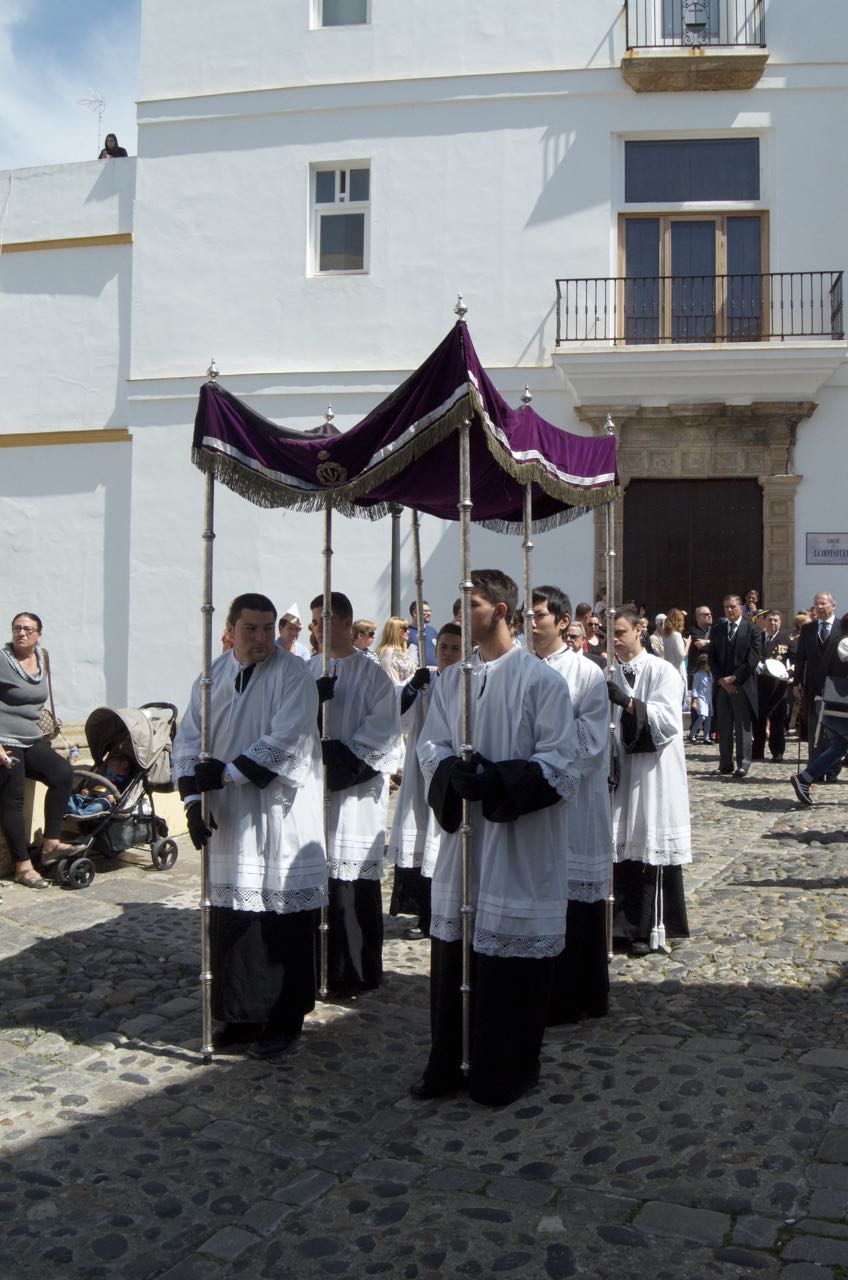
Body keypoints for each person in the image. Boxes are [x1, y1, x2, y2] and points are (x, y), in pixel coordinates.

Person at [412, 569, 579, 1106]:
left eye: (473, 604)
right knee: (456, 954)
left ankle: (503, 1071)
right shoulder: (452, 680)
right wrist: (449, 775)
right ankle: (448, 1063)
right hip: (464, 841)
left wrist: (496, 780)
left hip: (516, 844)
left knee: (508, 969)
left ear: (502, 611)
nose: (462, 614)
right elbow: (430, 743)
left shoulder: (541, 681)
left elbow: (560, 765)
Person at [172, 593, 326, 1059]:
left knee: (281, 919)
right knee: (236, 921)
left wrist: (224, 774)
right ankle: (239, 1015)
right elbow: (189, 739)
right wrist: (193, 801)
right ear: (231, 629)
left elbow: (288, 738)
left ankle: (283, 1019)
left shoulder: (294, 674)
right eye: (250, 629)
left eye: (266, 628)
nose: (261, 638)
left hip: (279, 812)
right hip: (231, 819)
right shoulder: (211, 675)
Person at [309, 592, 399, 993]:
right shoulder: (307, 669)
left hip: (355, 796)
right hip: (311, 798)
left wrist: (332, 757)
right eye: (314, 622)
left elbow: (380, 735)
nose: (317, 629)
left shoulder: (373, 675)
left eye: (324, 620)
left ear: (346, 623)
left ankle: (354, 971)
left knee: (350, 887)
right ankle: (315, 966)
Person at [531, 585, 612, 1025]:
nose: (532, 623)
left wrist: (545, 754)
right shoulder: (521, 669)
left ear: (563, 621)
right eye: (528, 615)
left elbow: (592, 742)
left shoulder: (587, 674)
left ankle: (576, 995)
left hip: (576, 804)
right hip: (535, 806)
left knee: (576, 906)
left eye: (540, 615)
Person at [607, 607, 692, 956]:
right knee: (619, 844)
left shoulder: (662, 671)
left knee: (646, 842)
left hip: (652, 771)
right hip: (620, 772)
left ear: (639, 631)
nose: (615, 639)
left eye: (621, 632)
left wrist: (628, 702)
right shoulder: (607, 672)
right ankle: (618, 927)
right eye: (611, 633)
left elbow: (669, 721)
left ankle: (647, 926)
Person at [388, 623, 462, 938]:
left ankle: (448, 910)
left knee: (444, 841)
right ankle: (422, 913)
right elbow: (395, 714)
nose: (446, 653)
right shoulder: (427, 678)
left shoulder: (467, 681)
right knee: (420, 837)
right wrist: (411, 688)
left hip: (449, 771)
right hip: (421, 771)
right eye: (442, 646)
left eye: (454, 648)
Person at [0, 613, 76, 888]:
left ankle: (51, 843)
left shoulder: (42, 658)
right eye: (17, 628)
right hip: (5, 739)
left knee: (62, 773)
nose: (21, 633)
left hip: (31, 737)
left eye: (27, 629)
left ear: (38, 634)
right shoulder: (2, 659)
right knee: (14, 800)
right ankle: (22, 866)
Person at [790, 616, 848, 804]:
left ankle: (804, 778)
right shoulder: (844, 643)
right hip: (837, 706)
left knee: (839, 747)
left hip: (834, 705)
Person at [708, 594, 760, 779]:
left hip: (742, 685)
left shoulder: (752, 629)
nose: (730, 610)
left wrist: (734, 679)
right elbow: (712, 659)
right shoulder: (717, 630)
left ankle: (743, 763)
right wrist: (722, 680)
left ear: (740, 608)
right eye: (726, 607)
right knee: (724, 725)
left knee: (742, 725)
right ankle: (725, 763)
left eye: (733, 607)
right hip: (722, 686)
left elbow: (752, 659)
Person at [793, 592, 842, 780]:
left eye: (823, 604)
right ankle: (814, 770)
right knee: (815, 731)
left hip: (837, 688)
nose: (819, 607)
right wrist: (797, 682)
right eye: (816, 604)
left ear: (833, 605)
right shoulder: (808, 629)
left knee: (834, 732)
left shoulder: (842, 627)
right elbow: (801, 659)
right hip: (813, 687)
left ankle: (832, 770)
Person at [752, 610, 790, 762]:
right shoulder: (757, 638)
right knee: (758, 719)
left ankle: (777, 751)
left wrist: (789, 673)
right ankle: (757, 751)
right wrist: (756, 665)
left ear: (780, 622)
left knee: (777, 720)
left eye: (776, 620)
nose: (773, 623)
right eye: (770, 620)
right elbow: (751, 656)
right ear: (764, 621)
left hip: (778, 686)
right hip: (760, 685)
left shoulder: (786, 639)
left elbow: (794, 659)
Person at [66, 751, 132, 815]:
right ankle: (69, 807)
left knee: (100, 805)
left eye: (112, 765)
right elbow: (94, 786)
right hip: (90, 796)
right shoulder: (105, 776)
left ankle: (79, 813)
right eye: (108, 766)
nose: (109, 768)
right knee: (74, 797)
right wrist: (85, 793)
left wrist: (113, 797)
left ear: (124, 764)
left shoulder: (124, 781)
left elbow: (122, 794)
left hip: (104, 799)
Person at [377, 616, 418, 685]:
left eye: (408, 628)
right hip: (399, 693)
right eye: (405, 629)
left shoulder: (404, 651)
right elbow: (391, 679)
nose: (408, 632)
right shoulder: (388, 651)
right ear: (395, 631)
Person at [662, 609, 690, 705]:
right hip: (678, 671)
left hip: (669, 671)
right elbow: (681, 656)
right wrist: (688, 644)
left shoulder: (665, 635)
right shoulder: (676, 635)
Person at [689, 654, 713, 744]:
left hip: (708, 699)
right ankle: (692, 734)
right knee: (702, 716)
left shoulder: (710, 674)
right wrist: (694, 701)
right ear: (702, 665)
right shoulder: (698, 675)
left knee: (708, 718)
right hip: (701, 698)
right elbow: (694, 688)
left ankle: (706, 737)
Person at [408, 601, 438, 666]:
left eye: (430, 611)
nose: (429, 613)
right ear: (415, 613)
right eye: (426, 611)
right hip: (418, 673)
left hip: (436, 673)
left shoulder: (432, 631)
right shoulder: (406, 632)